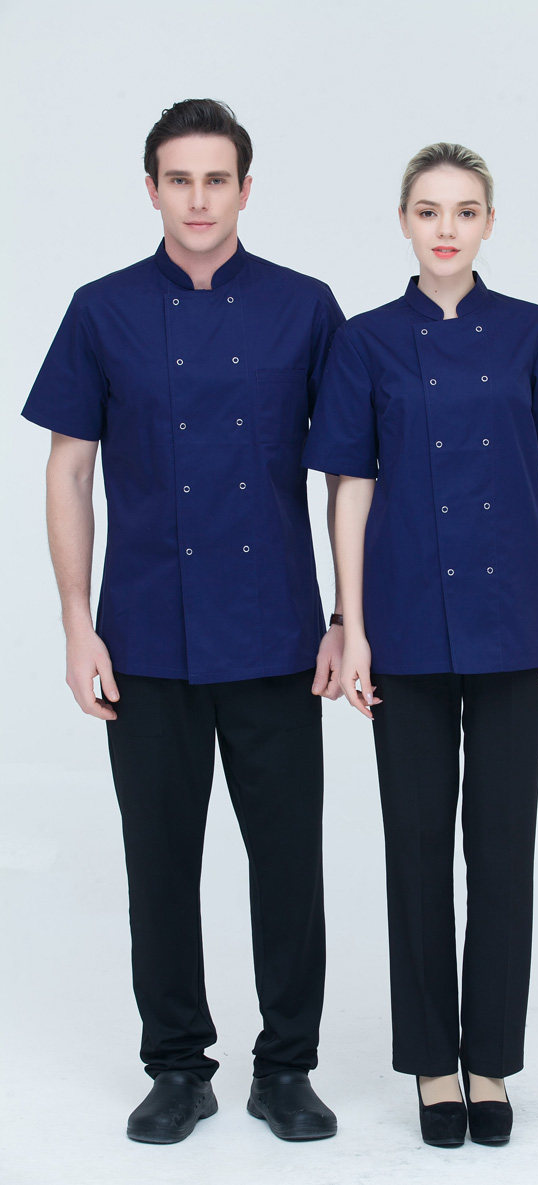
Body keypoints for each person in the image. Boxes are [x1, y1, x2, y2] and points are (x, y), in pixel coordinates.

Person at [22, 99, 345, 1145]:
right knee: (158, 862)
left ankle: (286, 1068)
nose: (198, 200)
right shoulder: (102, 309)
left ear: (245, 190)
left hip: (277, 631)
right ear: (152, 189)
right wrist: (76, 623)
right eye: (179, 179)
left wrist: (346, 616)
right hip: (146, 633)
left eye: (216, 180)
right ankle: (176, 1067)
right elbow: (69, 473)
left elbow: (350, 471)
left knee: (287, 864)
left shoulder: (305, 307)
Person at [303, 142, 538, 1148]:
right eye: (428, 210)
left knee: (502, 847)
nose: (446, 228)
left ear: (488, 224)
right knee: (418, 847)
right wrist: (353, 628)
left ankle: (491, 1061)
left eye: (465, 211)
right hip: (404, 623)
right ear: (403, 221)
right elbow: (349, 490)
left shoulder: (534, 332)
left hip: (514, 620)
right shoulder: (366, 342)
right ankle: (433, 1060)